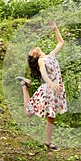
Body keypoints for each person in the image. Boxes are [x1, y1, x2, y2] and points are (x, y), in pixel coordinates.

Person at [16, 21, 67, 151]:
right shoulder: (41, 60)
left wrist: (56, 29)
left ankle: (48, 143)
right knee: (30, 113)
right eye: (32, 51)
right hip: (48, 91)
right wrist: (51, 84)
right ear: (34, 56)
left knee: (51, 116)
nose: (34, 48)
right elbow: (44, 74)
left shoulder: (51, 56)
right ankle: (24, 86)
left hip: (54, 90)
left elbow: (61, 43)